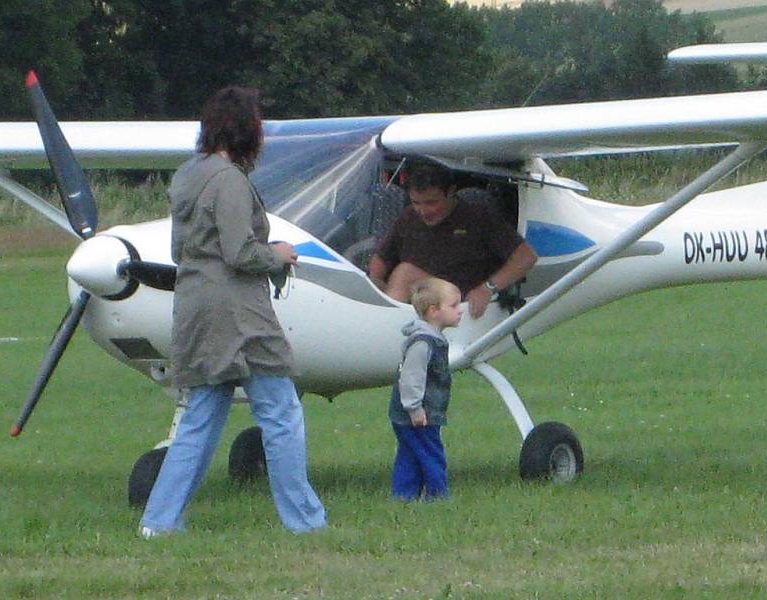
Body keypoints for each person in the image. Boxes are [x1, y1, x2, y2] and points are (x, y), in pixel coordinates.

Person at [139, 86, 326, 537]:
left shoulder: (186, 175)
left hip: (193, 306)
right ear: (248, 131)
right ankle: (305, 522)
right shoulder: (229, 180)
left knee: (200, 417)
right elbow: (240, 253)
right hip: (239, 313)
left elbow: (180, 248)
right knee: (281, 413)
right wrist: (279, 254)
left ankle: (159, 522)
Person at [368, 163, 537, 319]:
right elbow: (380, 259)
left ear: (451, 192)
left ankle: (386, 324)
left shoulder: (479, 218)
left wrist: (487, 288)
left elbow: (526, 257)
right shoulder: (408, 216)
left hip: (458, 304)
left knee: (405, 273)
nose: (423, 211)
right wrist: (374, 286)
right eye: (416, 202)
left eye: (431, 202)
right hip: (415, 302)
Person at [389, 277, 463, 501]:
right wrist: (414, 408)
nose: (460, 311)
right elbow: (411, 377)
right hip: (418, 414)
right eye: (454, 306)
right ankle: (437, 495)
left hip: (416, 412)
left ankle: (403, 496)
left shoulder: (432, 340)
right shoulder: (423, 343)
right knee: (432, 454)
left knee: (410, 454)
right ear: (433, 311)